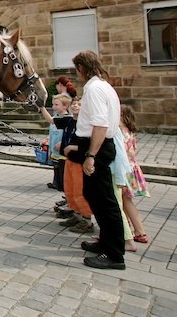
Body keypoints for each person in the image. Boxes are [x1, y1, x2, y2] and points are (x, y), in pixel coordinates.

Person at [71, 50, 124, 270]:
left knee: (104, 201)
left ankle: (114, 255)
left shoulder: (93, 89)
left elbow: (101, 125)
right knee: (95, 196)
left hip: (98, 146)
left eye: (76, 69)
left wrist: (91, 155)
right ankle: (105, 242)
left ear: (81, 69)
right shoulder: (103, 86)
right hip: (98, 144)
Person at [59, 98, 96, 234]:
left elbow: (90, 142)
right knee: (70, 190)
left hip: (80, 161)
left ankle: (87, 221)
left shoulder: (88, 123)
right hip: (70, 160)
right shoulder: (70, 121)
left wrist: (72, 147)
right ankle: (76, 215)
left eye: (79, 104)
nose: (75, 106)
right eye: (74, 104)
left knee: (79, 192)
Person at [119, 104, 150, 245]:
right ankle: (132, 230)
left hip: (125, 170)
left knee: (125, 201)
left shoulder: (122, 133)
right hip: (131, 169)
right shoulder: (128, 132)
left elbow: (125, 152)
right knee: (125, 201)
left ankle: (138, 231)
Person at [41, 93, 70, 192]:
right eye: (53, 104)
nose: (54, 107)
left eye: (56, 104)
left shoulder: (68, 119)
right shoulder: (56, 117)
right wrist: (47, 139)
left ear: (65, 106)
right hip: (55, 152)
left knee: (64, 177)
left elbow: (69, 134)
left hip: (63, 153)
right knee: (57, 172)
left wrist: (41, 107)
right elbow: (52, 127)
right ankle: (59, 188)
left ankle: (67, 198)